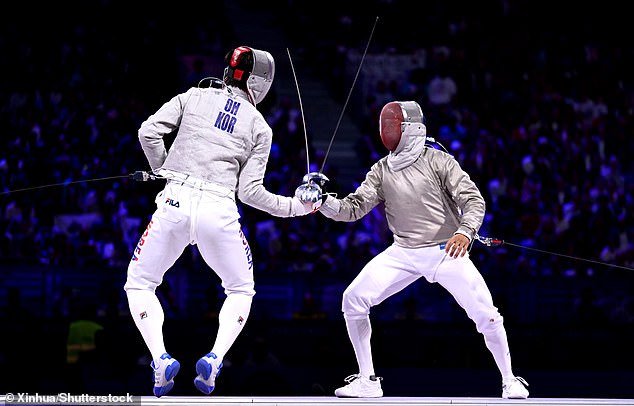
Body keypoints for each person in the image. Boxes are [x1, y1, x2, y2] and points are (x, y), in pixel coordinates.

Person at [123, 45, 321, 397]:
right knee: (241, 289)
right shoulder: (260, 126)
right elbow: (251, 194)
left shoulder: (192, 96)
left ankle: (160, 360)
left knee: (140, 284)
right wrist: (297, 207)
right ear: (260, 85)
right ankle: (214, 360)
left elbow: (147, 133)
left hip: (174, 201)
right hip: (220, 209)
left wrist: (163, 170)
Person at [315, 100, 529, 399]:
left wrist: (465, 232)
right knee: (353, 299)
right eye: (384, 126)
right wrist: (322, 202)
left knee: (487, 316)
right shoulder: (382, 169)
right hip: (402, 251)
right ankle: (367, 380)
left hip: (446, 251)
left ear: (410, 129)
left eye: (392, 125)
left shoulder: (439, 161)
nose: (386, 131)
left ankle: (510, 379)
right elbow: (353, 208)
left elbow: (473, 200)